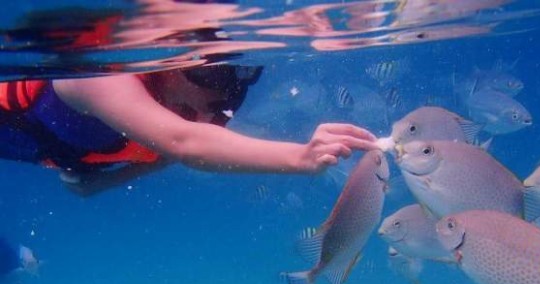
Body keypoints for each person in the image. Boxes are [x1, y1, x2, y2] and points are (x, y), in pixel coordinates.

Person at [0, 64, 377, 196]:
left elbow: (161, 155)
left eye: (226, 88)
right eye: (208, 73)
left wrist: (89, 181)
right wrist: (300, 156)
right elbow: (182, 143)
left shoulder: (185, 114)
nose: (207, 110)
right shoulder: (96, 77)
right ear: (171, 65)